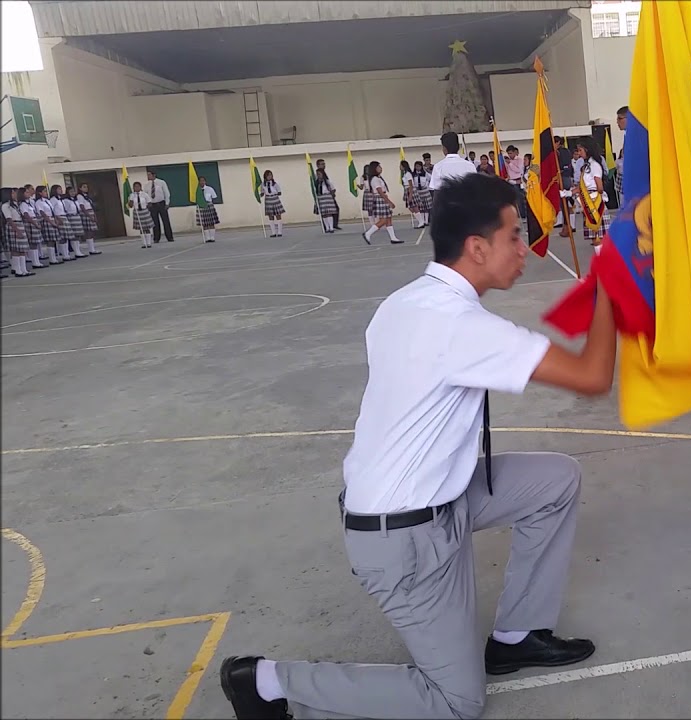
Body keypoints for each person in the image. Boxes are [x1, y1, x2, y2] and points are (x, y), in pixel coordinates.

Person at [218, 173, 618, 720]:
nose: (524, 251)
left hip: (423, 502)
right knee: (456, 702)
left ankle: (517, 634)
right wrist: (611, 294)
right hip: (405, 537)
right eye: (514, 238)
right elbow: (593, 376)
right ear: (477, 248)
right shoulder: (462, 326)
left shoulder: (405, 301)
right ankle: (269, 684)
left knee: (555, 480)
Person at [361, 161, 401, 245]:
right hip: (380, 199)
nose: (380, 168)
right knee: (384, 220)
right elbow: (380, 192)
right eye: (378, 167)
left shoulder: (378, 178)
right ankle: (368, 233)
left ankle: (393, 238)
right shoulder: (375, 179)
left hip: (382, 198)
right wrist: (389, 202)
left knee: (389, 219)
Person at [260, 170, 285, 237]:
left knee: (278, 215)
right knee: (270, 216)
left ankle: (279, 232)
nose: (270, 176)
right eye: (268, 175)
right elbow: (262, 192)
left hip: (275, 199)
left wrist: (275, 193)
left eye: (271, 175)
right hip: (268, 200)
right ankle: (273, 232)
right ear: (265, 176)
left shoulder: (275, 184)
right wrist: (259, 195)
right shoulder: (263, 184)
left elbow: (279, 192)